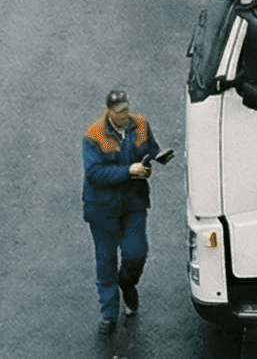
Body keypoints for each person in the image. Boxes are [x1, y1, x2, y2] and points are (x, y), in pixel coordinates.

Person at [81, 88, 162, 333]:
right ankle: (109, 315)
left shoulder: (141, 125)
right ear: (109, 111)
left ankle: (127, 283)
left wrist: (153, 159)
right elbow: (94, 174)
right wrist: (130, 171)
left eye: (126, 109)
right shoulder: (93, 135)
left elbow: (150, 148)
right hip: (102, 208)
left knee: (137, 251)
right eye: (119, 112)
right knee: (105, 261)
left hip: (133, 203)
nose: (124, 115)